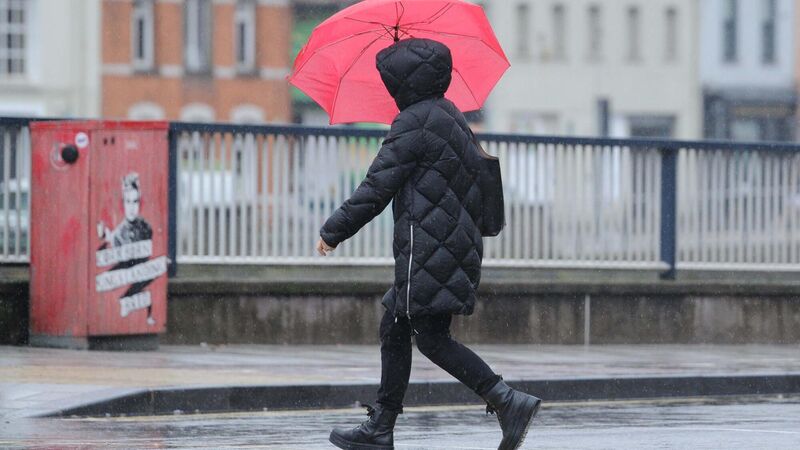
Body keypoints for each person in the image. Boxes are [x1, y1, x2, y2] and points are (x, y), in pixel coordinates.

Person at [315, 38, 541, 450]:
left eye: (392, 81)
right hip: (450, 246)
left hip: (430, 251)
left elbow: (376, 186)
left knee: (432, 337)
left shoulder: (414, 122)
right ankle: (381, 428)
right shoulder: (450, 115)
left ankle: (508, 400)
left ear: (404, 82)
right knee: (395, 325)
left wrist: (334, 230)